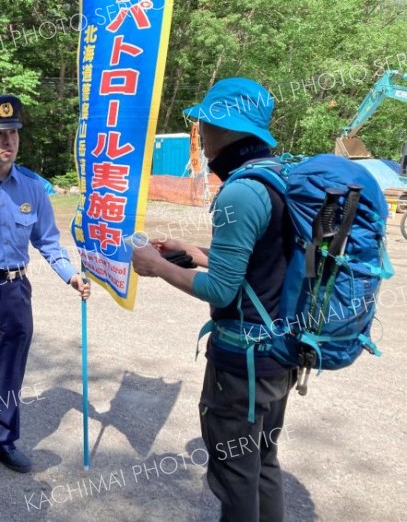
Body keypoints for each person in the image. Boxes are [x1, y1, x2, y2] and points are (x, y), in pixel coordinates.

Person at [132, 78, 297, 522]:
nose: (200, 132)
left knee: (235, 473)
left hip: (242, 361)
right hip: (279, 351)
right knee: (263, 461)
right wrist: (196, 254)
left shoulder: (240, 192)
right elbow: (261, 266)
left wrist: (157, 266)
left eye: (204, 123)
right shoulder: (278, 177)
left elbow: (222, 290)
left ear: (226, 128)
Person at [0, 94, 91, 485]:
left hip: (15, 291)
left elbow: (48, 240)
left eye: (13, 134)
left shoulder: (32, 188)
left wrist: (70, 275)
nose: (7, 143)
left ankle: (3, 441)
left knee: (10, 373)